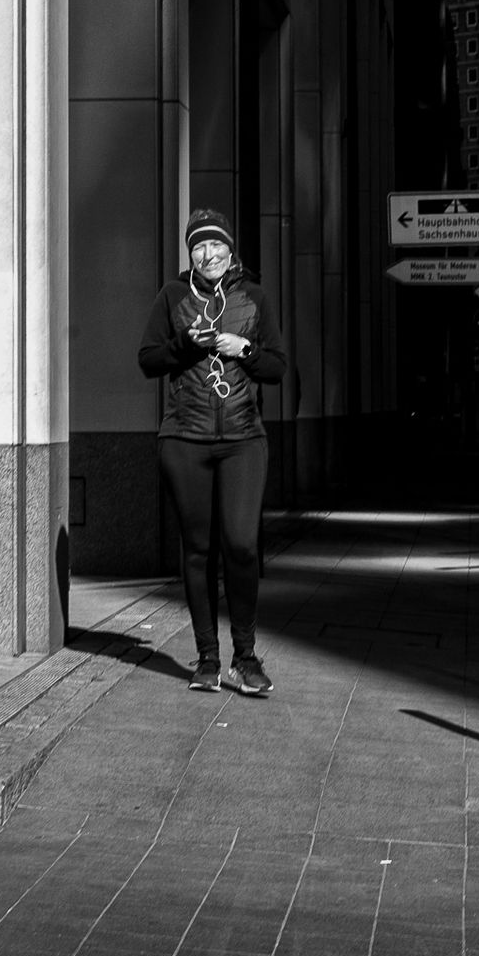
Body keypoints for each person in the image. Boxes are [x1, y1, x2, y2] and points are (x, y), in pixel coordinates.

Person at [137, 209, 288, 695]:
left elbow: (277, 367)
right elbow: (148, 360)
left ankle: (246, 657)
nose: (208, 254)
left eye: (216, 245)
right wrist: (185, 344)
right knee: (198, 549)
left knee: (241, 546)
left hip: (243, 440)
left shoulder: (254, 297)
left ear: (230, 248)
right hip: (185, 439)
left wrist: (244, 349)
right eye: (199, 247)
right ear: (191, 254)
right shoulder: (173, 296)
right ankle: (207, 659)